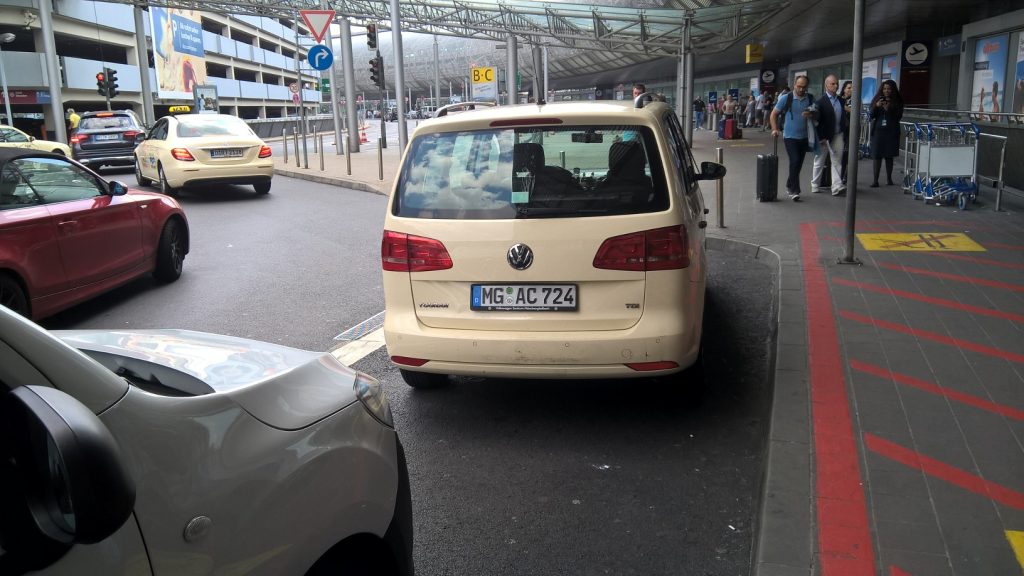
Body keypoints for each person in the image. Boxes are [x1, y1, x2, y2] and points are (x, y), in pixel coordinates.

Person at [770, 76, 818, 201]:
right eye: (799, 86)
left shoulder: (810, 99)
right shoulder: (786, 98)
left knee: (798, 164)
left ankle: (788, 184)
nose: (801, 89)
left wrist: (811, 114)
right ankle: (794, 190)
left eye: (804, 87)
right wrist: (775, 129)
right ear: (794, 85)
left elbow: (817, 113)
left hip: (805, 136)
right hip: (790, 136)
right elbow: (773, 114)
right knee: (795, 160)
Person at [811, 75, 846, 196]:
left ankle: (836, 186)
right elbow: (816, 122)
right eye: (832, 84)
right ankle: (815, 184)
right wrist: (820, 137)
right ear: (826, 85)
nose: (835, 86)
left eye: (836, 84)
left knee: (837, 161)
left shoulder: (841, 100)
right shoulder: (820, 101)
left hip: (837, 135)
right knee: (819, 161)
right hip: (824, 137)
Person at [868, 79, 904, 187]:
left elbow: (898, 116)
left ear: (892, 90)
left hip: (891, 132)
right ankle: (875, 180)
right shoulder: (876, 100)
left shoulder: (897, 101)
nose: (886, 91)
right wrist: (876, 106)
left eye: (889, 89)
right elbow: (871, 115)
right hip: (878, 132)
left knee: (889, 156)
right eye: (884, 88)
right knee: (877, 156)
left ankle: (889, 179)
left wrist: (888, 108)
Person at [838, 80, 853, 185]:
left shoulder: (855, 100)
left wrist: (841, 106)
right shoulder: (838, 99)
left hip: (850, 130)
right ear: (843, 89)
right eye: (849, 87)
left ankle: (844, 176)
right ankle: (837, 176)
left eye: (853, 88)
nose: (851, 90)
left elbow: (854, 111)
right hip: (838, 130)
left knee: (846, 154)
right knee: (838, 154)